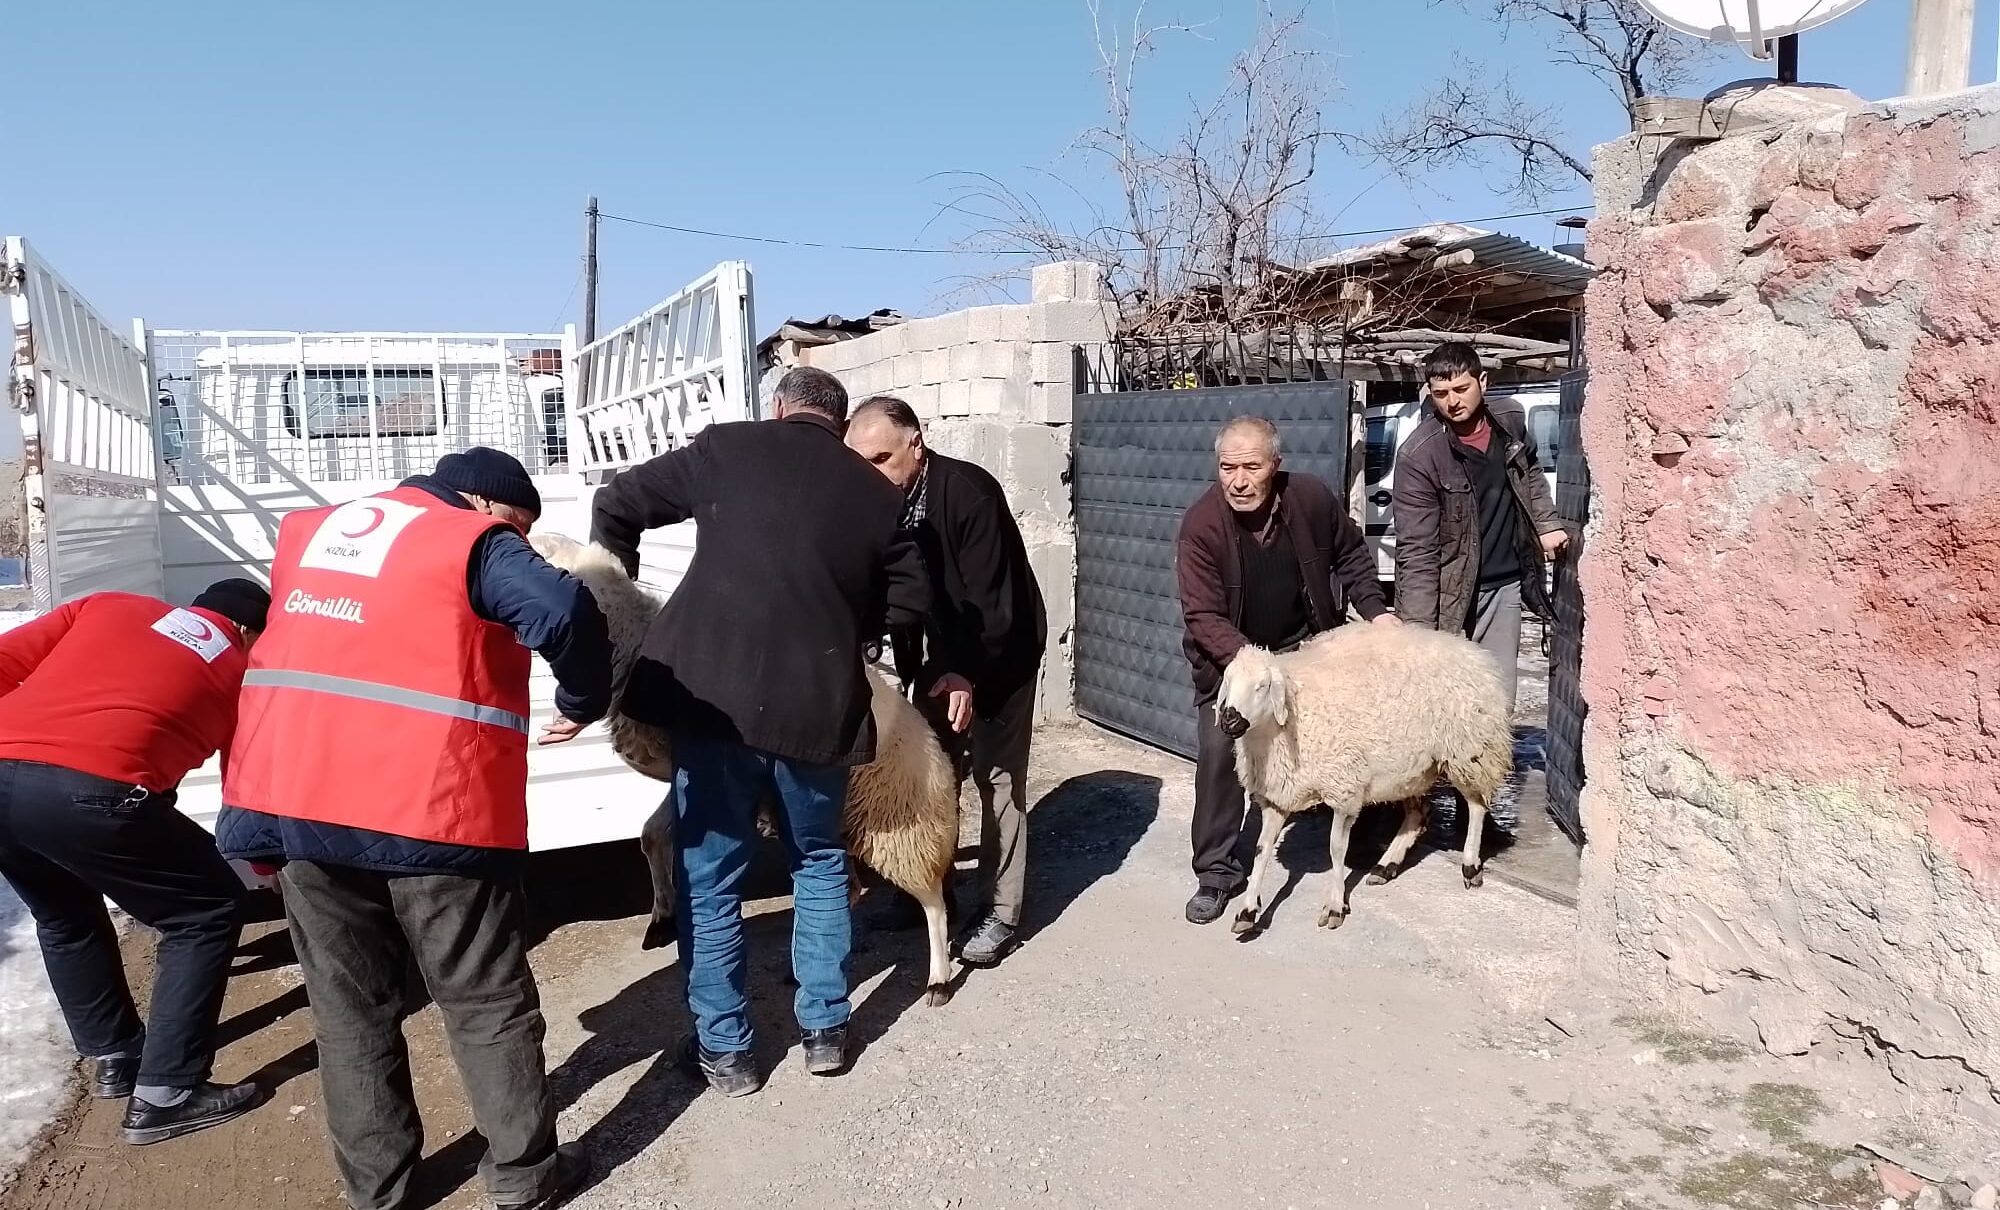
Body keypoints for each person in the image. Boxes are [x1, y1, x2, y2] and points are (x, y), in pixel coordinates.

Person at [215, 448, 612, 1210]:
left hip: (299, 810)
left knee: (348, 1013)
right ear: (488, 505)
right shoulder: (470, 539)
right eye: (520, 530)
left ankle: (381, 1193)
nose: (522, 545)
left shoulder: (310, 533)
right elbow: (563, 611)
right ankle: (526, 1180)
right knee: (484, 1002)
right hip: (432, 812)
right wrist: (583, 697)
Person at [591, 366, 929, 1094]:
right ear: (840, 427)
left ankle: (728, 1053)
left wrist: (618, 585)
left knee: (710, 874)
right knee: (818, 859)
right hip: (818, 705)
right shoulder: (877, 493)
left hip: (713, 702)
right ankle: (826, 1032)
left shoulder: (727, 448)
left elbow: (617, 501)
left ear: (779, 408)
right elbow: (910, 598)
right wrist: (851, 630)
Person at [0, 579, 270, 1145]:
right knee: (207, 910)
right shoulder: (245, 669)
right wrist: (264, 864)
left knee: (64, 918)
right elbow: (245, 782)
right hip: (95, 790)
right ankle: (167, 1094)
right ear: (248, 632)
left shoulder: (108, 606)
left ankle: (114, 1056)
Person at [845, 395, 1047, 967]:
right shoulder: (877, 502)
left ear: (918, 442)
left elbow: (994, 602)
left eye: (883, 457)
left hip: (1000, 651)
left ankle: (1001, 913)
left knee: (998, 779)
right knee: (935, 776)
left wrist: (967, 673)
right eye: (862, 461)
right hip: (937, 661)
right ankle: (930, 893)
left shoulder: (970, 494)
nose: (873, 472)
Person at [1174, 416, 1397, 925]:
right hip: (1233, 659)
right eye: (1227, 467)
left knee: (1345, 737)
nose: (1238, 480)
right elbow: (1202, 616)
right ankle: (1216, 871)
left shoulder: (1311, 499)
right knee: (1220, 753)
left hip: (1306, 646)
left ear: (1275, 466)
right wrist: (1248, 661)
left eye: (1252, 466)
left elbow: (1353, 557)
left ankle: (1358, 831)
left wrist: (1380, 615)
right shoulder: (1202, 526)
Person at [1389, 341, 1569, 711]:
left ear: (1482, 382)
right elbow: (1417, 549)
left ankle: (1491, 768)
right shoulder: (1420, 455)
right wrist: (1419, 630)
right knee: (1443, 702)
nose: (1452, 401)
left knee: (1496, 699)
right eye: (1440, 394)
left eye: (1460, 389)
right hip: (1449, 595)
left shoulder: (1510, 421)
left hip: (1505, 587)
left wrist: (1546, 523)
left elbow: (1529, 474)